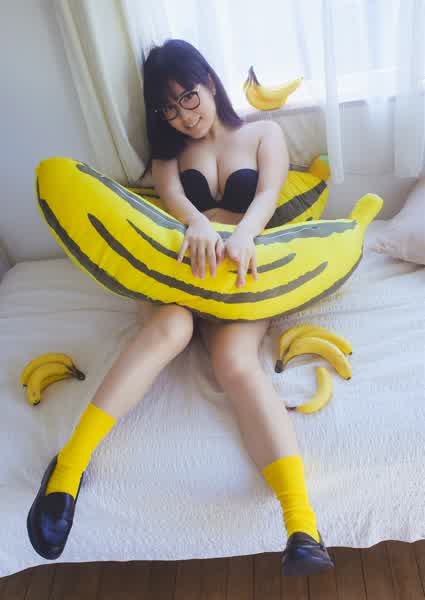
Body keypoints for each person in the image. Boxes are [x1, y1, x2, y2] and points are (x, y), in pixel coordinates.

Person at [27, 39, 334, 576]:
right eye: (168, 108)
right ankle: (67, 472)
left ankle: (302, 526)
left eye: (188, 97)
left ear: (209, 83)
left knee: (236, 363)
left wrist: (243, 233)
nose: (184, 116)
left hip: (239, 273)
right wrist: (196, 223)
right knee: (171, 328)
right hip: (178, 273)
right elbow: (174, 201)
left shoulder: (264, 134)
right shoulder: (168, 155)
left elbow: (268, 195)